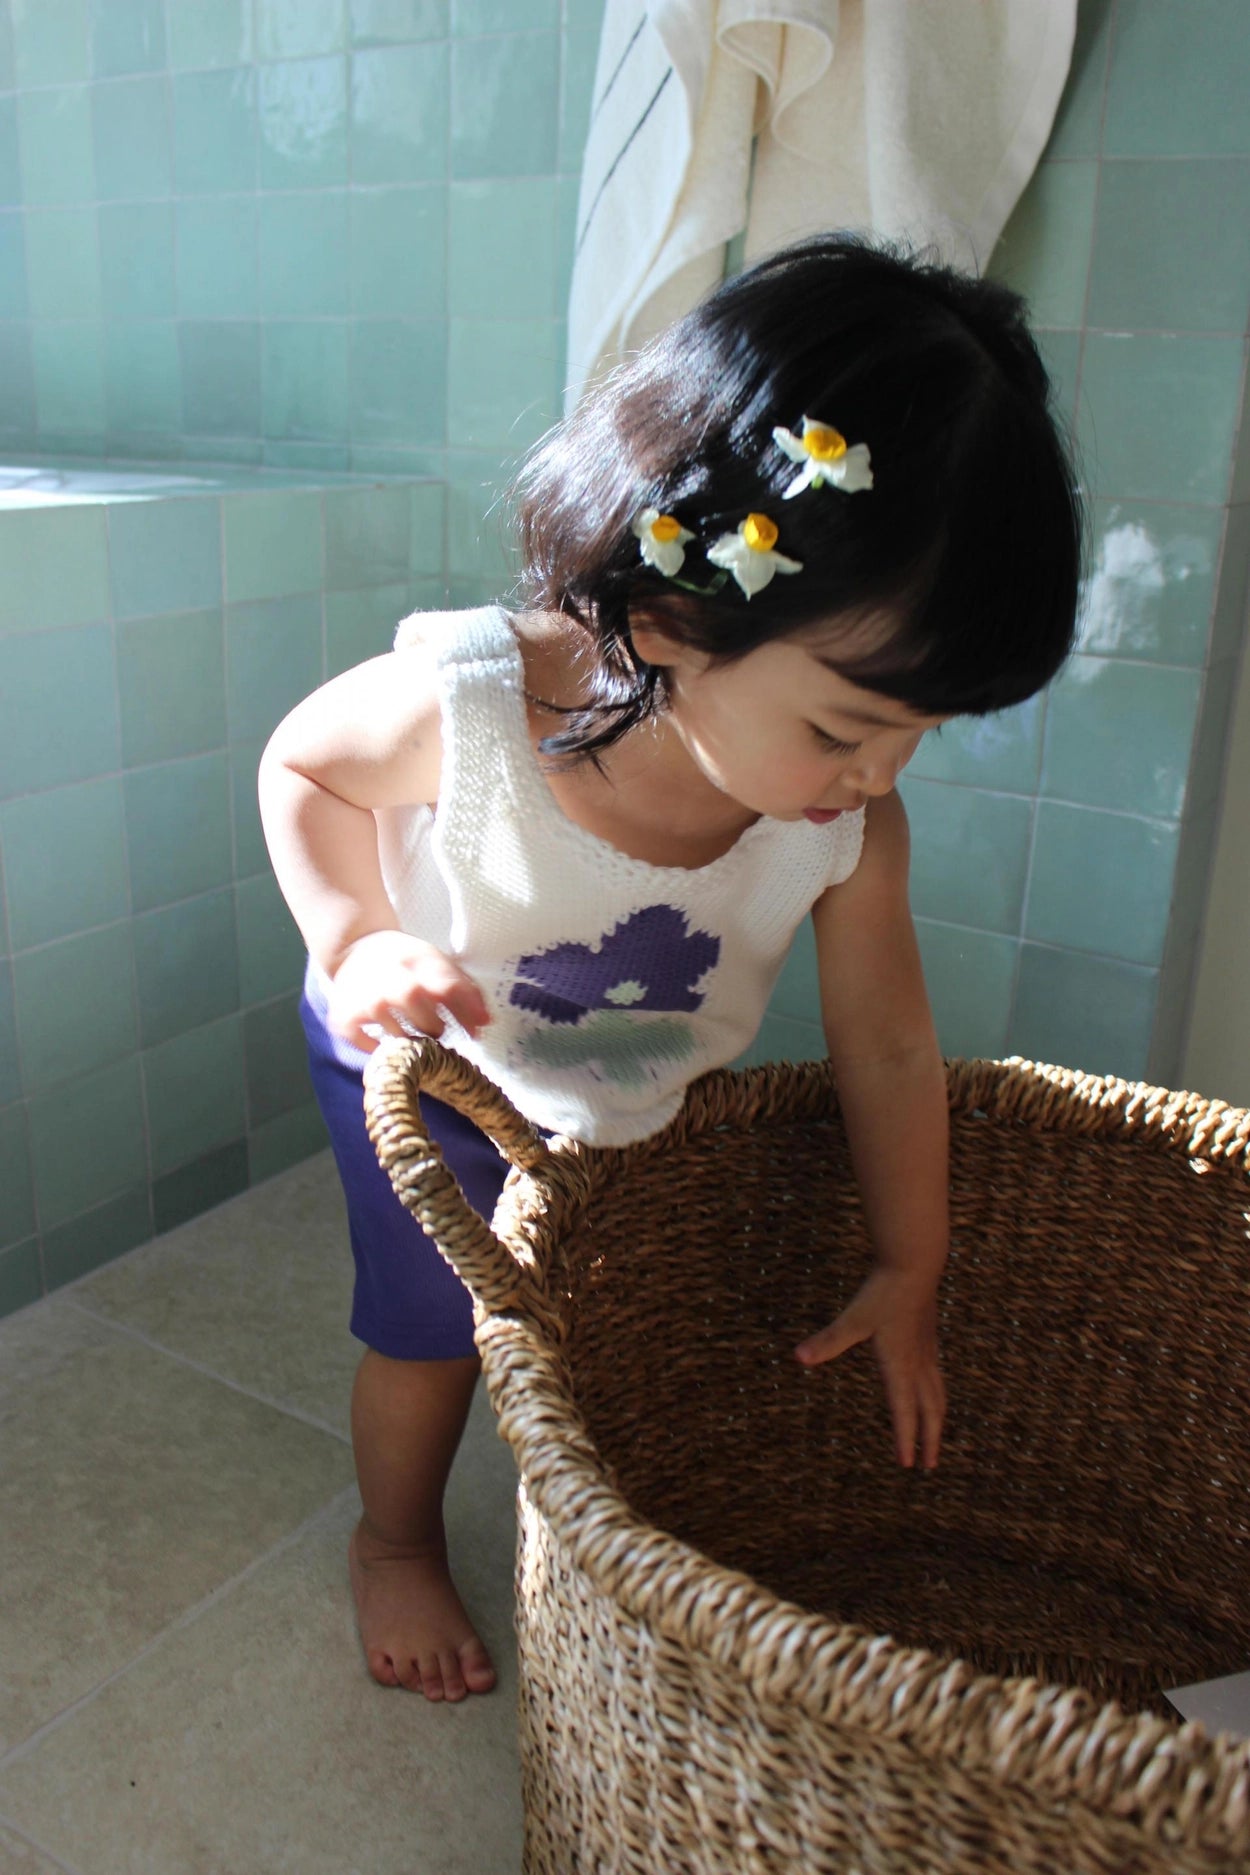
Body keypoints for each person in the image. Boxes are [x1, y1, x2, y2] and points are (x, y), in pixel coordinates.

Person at [259, 234, 1082, 1706]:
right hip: (430, 1054)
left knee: (615, 1317)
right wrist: (355, 938)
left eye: (921, 734)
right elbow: (304, 768)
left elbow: (890, 1047)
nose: (881, 776)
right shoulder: (478, 705)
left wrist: (912, 1262)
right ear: (669, 622)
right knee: (433, 1331)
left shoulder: (847, 830)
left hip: (610, 1086)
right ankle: (393, 1539)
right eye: (844, 730)